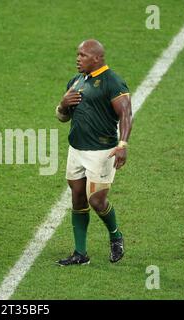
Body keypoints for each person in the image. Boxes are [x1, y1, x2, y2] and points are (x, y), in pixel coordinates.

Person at [55, 39, 132, 265]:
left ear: (97, 58)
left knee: (97, 200)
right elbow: (62, 117)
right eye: (77, 54)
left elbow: (126, 115)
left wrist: (123, 145)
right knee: (78, 198)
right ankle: (80, 254)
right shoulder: (75, 81)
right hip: (76, 150)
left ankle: (116, 236)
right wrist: (62, 104)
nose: (78, 59)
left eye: (83, 55)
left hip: (102, 152)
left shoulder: (113, 82)